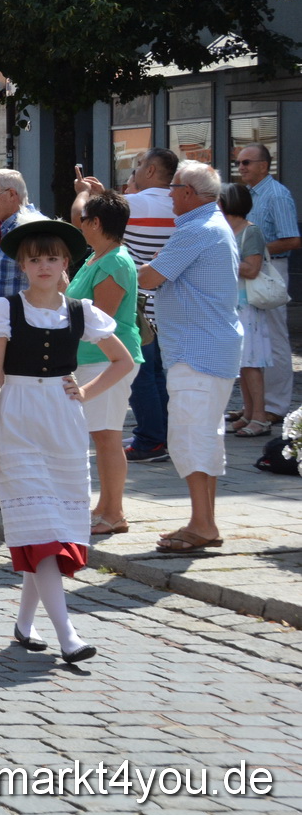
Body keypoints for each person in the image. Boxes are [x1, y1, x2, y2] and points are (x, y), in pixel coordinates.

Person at [0, 220, 134, 663]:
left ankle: (25, 624)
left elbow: (122, 361)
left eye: (52, 257)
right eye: (34, 258)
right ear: (22, 265)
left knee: (50, 526)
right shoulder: (4, 309)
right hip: (18, 418)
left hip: (63, 422)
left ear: (67, 262)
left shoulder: (81, 311)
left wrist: (85, 392)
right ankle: (68, 635)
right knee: (41, 530)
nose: (44, 266)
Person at [136, 161, 242, 554]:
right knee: (204, 438)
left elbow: (150, 278)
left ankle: (202, 523)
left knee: (188, 438)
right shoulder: (209, 225)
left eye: (173, 188)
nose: (168, 194)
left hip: (196, 350)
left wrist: (121, 268)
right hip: (204, 348)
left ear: (188, 193)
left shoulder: (199, 229)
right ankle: (205, 521)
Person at [80, 148, 177, 464]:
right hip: (159, 301)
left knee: (145, 378)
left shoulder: (135, 206)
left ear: (150, 171)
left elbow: (100, 217)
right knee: (157, 375)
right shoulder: (178, 207)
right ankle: (164, 436)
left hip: (133, 304)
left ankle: (151, 440)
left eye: (136, 167)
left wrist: (87, 194)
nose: (131, 175)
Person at [67, 191, 142, 537]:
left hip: (108, 361)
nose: (79, 225)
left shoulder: (114, 262)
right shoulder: (96, 257)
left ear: (96, 223)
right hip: (92, 360)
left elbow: (102, 321)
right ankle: (106, 507)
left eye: (84, 219)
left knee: (107, 436)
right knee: (101, 435)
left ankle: (114, 512)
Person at [234, 144, 297, 424]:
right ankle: (253, 408)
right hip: (251, 270)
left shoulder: (277, 194)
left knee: (274, 338)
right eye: (238, 163)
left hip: (271, 269)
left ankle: (276, 405)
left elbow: (292, 239)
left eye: (247, 162)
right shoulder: (248, 195)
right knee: (252, 339)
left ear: (264, 165)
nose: (241, 167)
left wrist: (254, 250)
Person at [218, 184, 274, 440]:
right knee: (243, 362)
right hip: (234, 303)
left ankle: (260, 417)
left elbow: (252, 269)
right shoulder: (229, 230)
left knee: (252, 362)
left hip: (248, 306)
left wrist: (221, 260)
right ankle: (249, 413)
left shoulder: (250, 232)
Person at [0, 169, 48, 305]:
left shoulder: (30, 228)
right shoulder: (14, 228)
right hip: (8, 321)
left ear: (12, 194)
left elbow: (52, 282)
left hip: (21, 322)